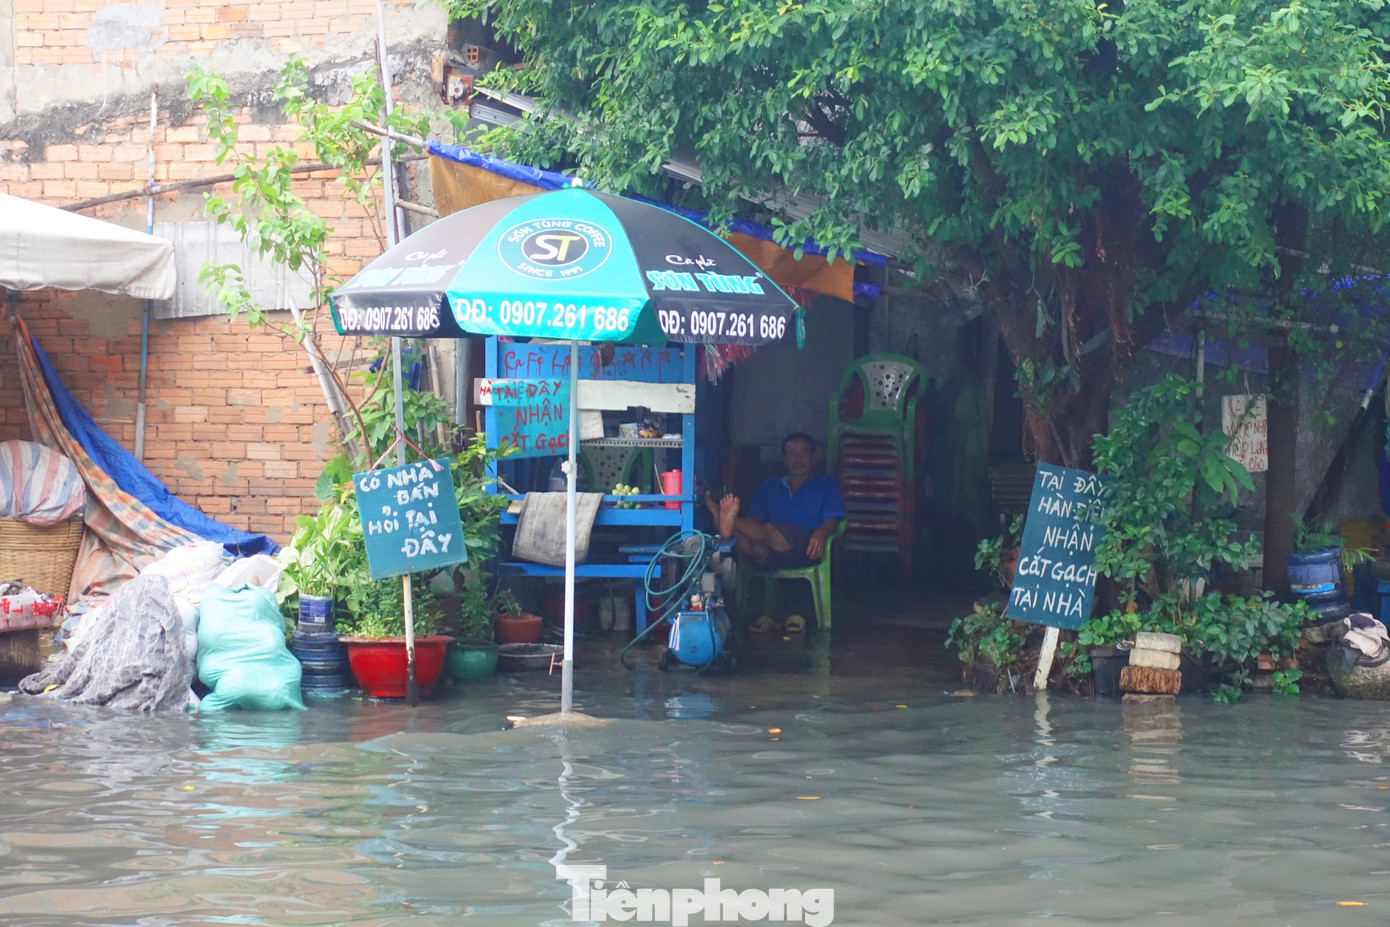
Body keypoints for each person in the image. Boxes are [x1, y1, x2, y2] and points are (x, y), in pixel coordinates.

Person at [706, 432, 844, 571]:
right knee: (751, 545)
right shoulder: (770, 485)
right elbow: (753, 519)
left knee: (767, 530)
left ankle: (726, 519)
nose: (798, 459)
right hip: (772, 554)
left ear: (813, 458)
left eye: (804, 452)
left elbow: (832, 521)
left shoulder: (826, 484)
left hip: (808, 547)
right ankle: (726, 523)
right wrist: (739, 529)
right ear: (784, 460)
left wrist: (821, 532)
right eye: (791, 453)